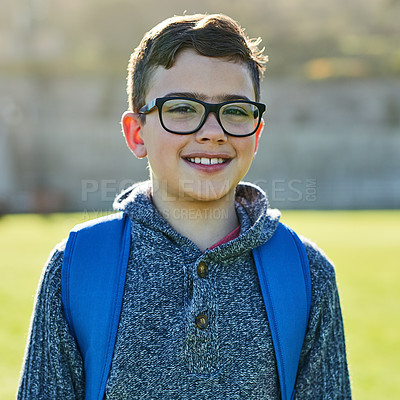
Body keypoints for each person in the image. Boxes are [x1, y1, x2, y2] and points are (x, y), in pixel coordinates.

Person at [18, 13, 351, 399]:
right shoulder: (76, 267)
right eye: (182, 109)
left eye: (236, 111)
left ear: (256, 133)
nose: (212, 132)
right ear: (136, 132)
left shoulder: (308, 275)